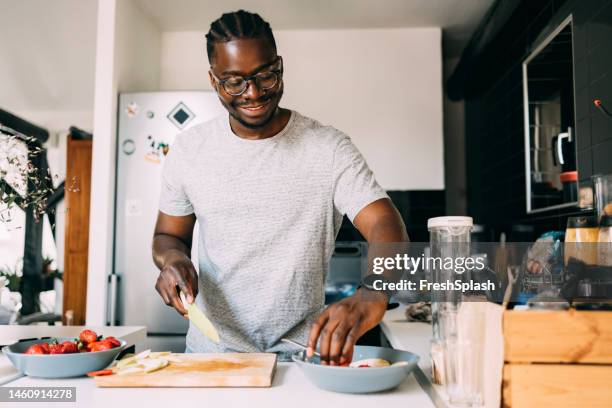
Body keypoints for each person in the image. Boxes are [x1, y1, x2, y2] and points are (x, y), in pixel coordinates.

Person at [152, 10, 408, 366]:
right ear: (214, 81)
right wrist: (173, 260)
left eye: (265, 76)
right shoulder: (190, 149)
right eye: (234, 82)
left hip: (302, 359)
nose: (253, 93)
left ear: (280, 66)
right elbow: (168, 236)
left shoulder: (328, 148)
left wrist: (374, 292)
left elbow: (385, 222)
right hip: (211, 357)